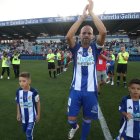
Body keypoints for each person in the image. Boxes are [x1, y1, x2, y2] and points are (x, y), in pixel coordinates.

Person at [66, 0, 106, 139]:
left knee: (87, 120)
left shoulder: (95, 48)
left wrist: (92, 13)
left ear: (92, 36)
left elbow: (103, 31)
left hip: (91, 92)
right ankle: (74, 127)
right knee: (71, 119)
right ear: (80, 35)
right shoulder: (75, 48)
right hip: (75, 90)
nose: (86, 35)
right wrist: (82, 18)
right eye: (84, 33)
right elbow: (68, 36)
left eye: (89, 33)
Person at [15, 72, 40, 140]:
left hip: (32, 116)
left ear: (29, 81)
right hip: (23, 117)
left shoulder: (34, 92)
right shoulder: (18, 91)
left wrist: (38, 114)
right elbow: (18, 103)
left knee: (28, 132)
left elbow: (38, 103)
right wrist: (18, 113)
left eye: (24, 81)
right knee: (25, 130)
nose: (21, 83)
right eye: (20, 81)